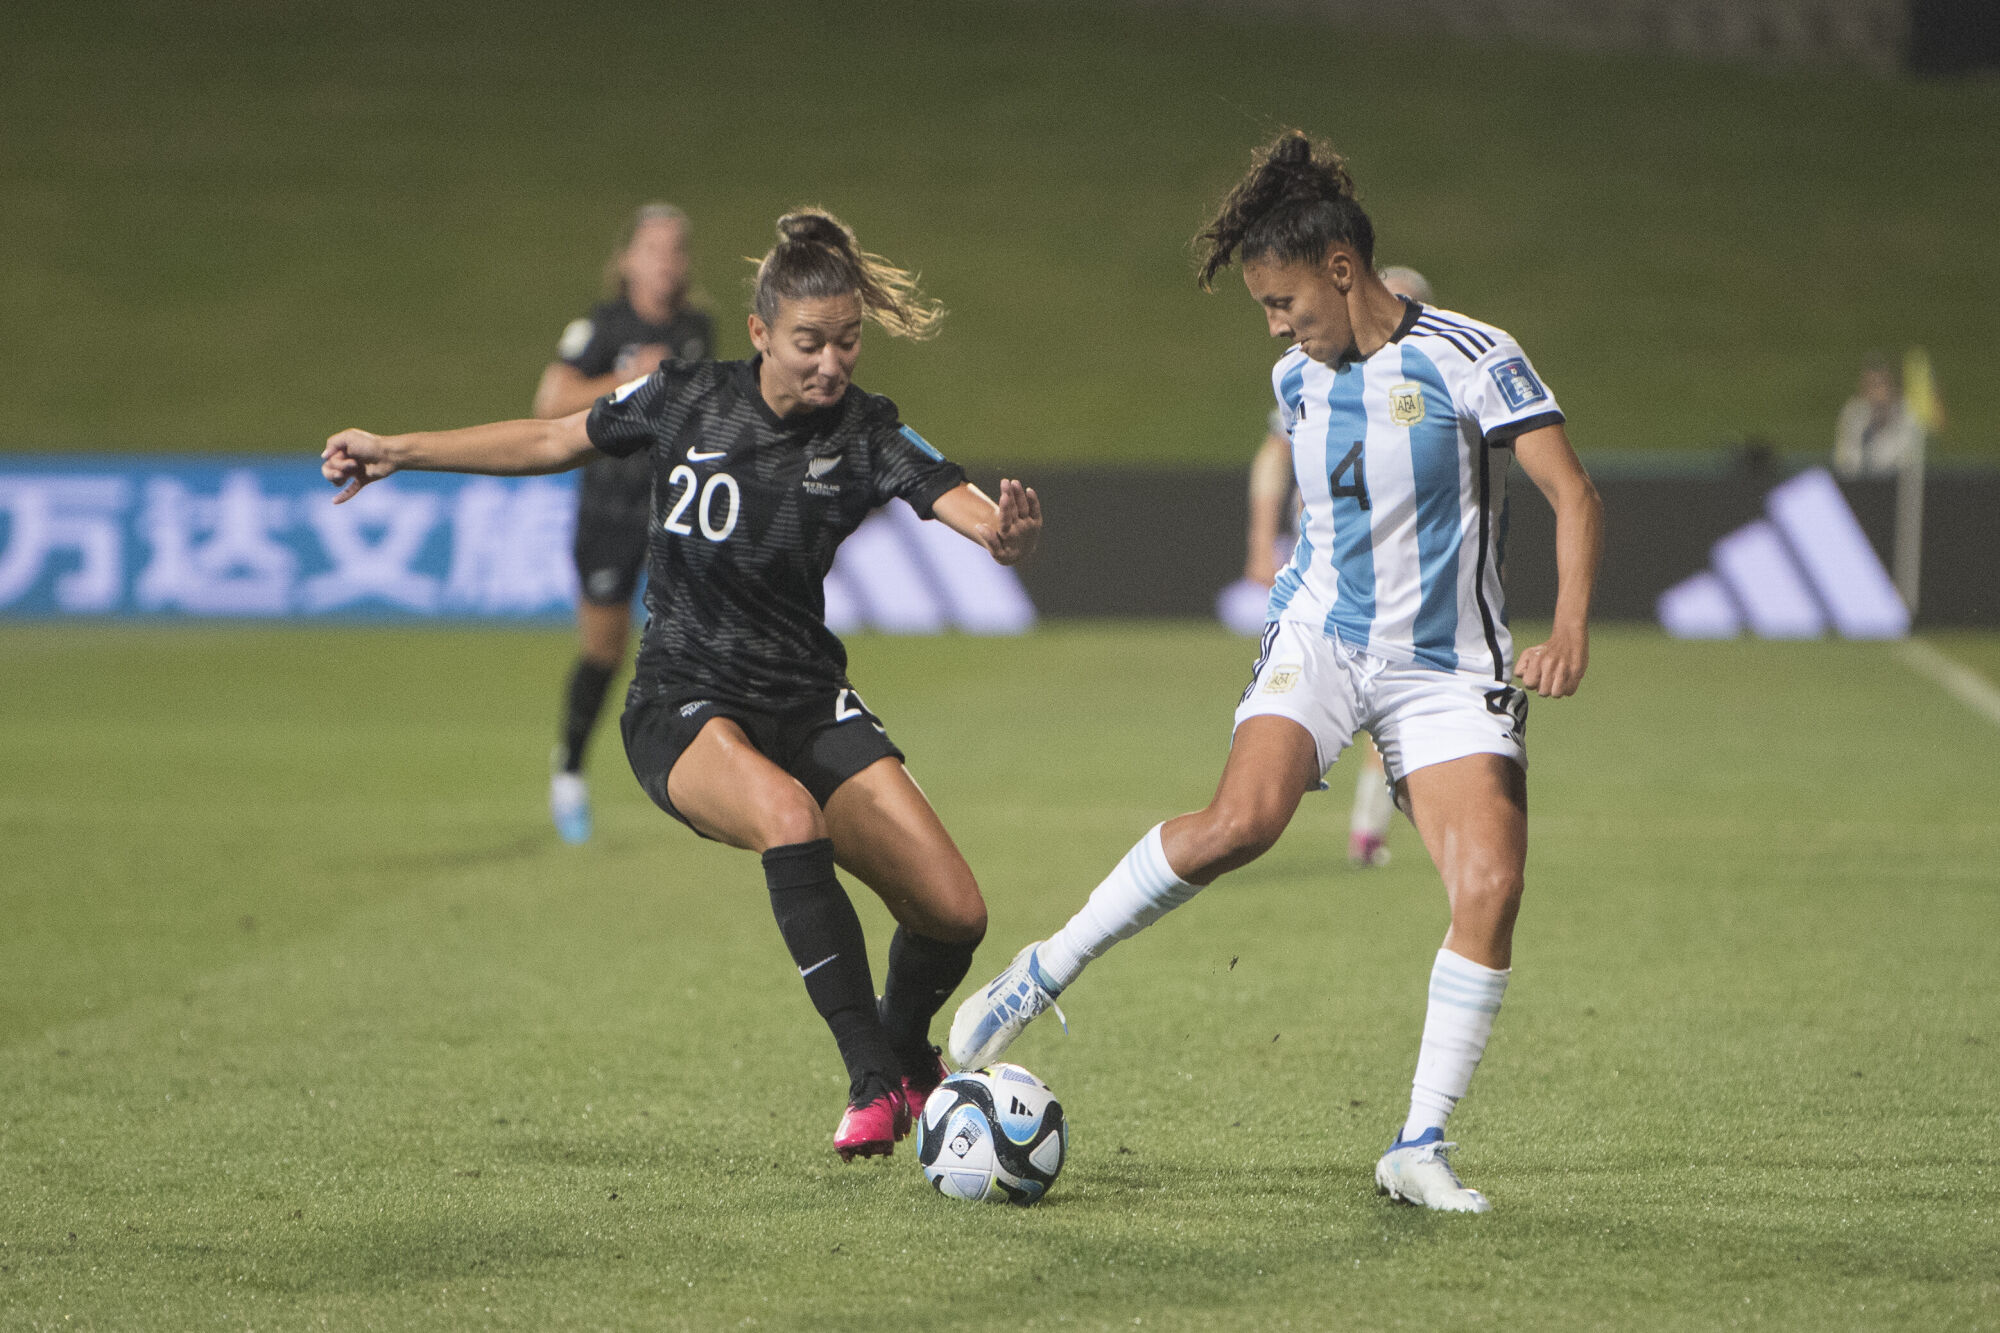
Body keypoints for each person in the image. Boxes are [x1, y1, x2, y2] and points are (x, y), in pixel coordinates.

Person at [951, 132, 1602, 1213]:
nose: (1273, 324)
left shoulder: (1469, 356)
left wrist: (1569, 627)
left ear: (1341, 270)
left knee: (1488, 888)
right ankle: (1043, 967)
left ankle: (1415, 1145)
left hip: (1445, 663)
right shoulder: (1293, 378)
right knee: (1239, 821)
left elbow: (1571, 493)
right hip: (1323, 638)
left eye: (1280, 299)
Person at [324, 209, 1042, 1161]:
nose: (832, 363)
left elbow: (952, 500)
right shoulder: (683, 396)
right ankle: (872, 1081)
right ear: (759, 333)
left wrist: (998, 530)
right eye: (809, 343)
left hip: (803, 695)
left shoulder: (866, 430)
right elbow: (549, 440)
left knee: (955, 913)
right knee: (790, 819)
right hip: (683, 701)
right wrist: (398, 448)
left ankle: (908, 1053)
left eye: (848, 341)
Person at [1243, 265, 1437, 869]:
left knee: (1393, 701)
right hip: (1323, 576)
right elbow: (1275, 457)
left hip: (1404, 576)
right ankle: (1256, 813)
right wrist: (1259, 540)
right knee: (1293, 720)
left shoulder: (1437, 373)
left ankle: (1367, 828)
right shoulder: (1315, 373)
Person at [536, 204, 716, 844]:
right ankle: (570, 771)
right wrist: (628, 379)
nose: (667, 261)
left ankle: (712, 776)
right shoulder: (603, 326)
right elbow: (551, 401)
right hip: (610, 508)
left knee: (701, 644)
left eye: (677, 250)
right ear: (629, 259)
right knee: (604, 651)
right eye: (655, 249)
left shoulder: (698, 330)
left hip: (677, 512)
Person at [1831, 353, 1922, 479]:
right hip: (1859, 486)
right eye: (1871, 385)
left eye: (1882, 384)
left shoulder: (1908, 415)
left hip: (1894, 487)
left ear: (1893, 387)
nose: (1877, 393)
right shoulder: (1853, 412)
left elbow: (1905, 462)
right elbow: (1845, 461)